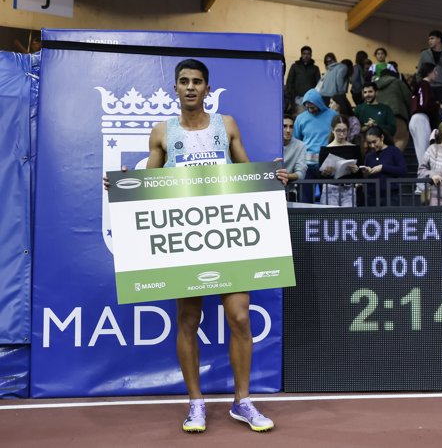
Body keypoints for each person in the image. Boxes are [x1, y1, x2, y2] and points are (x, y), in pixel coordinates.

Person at [104, 59, 283, 433]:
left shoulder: (226, 125)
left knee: (239, 316)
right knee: (188, 320)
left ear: (207, 88)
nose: (190, 87)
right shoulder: (162, 132)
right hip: (186, 241)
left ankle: (243, 402)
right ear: (175, 88)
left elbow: (245, 173)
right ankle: (196, 404)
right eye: (183, 81)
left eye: (197, 82)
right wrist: (126, 184)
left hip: (225, 235)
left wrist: (271, 178)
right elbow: (150, 183)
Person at [294, 88, 338, 202]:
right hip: (306, 164)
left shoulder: (333, 115)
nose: (310, 110)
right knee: (305, 198)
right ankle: (305, 220)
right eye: (307, 107)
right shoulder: (300, 118)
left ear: (319, 103)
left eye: (312, 107)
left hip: (327, 163)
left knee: (328, 199)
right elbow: (297, 140)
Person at [409, 63, 441, 187]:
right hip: (421, 118)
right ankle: (422, 185)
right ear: (430, 72)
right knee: (424, 153)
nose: (436, 74)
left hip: (417, 119)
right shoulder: (424, 84)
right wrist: (437, 104)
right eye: (435, 71)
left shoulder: (420, 85)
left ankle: (422, 185)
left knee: (421, 152)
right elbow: (424, 104)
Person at [318, 116, 361, 206]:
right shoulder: (325, 149)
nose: (341, 134)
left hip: (348, 188)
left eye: (344, 130)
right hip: (331, 188)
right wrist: (325, 172)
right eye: (338, 130)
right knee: (331, 217)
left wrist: (356, 170)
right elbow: (320, 175)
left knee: (348, 218)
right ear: (332, 130)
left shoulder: (354, 148)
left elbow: (360, 172)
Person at [361, 125, 408, 206]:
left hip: (391, 195)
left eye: (374, 142)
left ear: (382, 138)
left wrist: (383, 167)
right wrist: (367, 172)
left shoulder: (394, 151)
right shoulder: (369, 155)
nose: (372, 146)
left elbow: (403, 170)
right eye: (369, 143)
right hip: (372, 196)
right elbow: (366, 176)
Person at [376, 69, 413, 151]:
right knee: (400, 139)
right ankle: (393, 160)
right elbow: (409, 98)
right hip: (396, 116)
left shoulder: (374, 86)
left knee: (381, 143)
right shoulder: (398, 82)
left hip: (378, 118)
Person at [416, 30, 442, 102]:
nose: (429, 41)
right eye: (429, 39)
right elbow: (419, 71)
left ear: (439, 39)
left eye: (432, 38)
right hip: (427, 86)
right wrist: (421, 84)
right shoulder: (424, 54)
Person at [285, 45, 321, 112]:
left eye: (308, 54)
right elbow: (289, 82)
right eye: (304, 54)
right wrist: (289, 97)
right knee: (300, 117)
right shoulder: (295, 67)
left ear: (311, 55)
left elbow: (319, 84)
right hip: (298, 99)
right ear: (301, 55)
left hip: (311, 100)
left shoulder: (315, 68)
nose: (306, 56)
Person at [282, 115, 307, 202]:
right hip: (268, 191)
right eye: (284, 126)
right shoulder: (269, 143)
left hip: (289, 192)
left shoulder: (301, 145)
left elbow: (301, 173)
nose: (288, 130)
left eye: (291, 127)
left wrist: (286, 176)